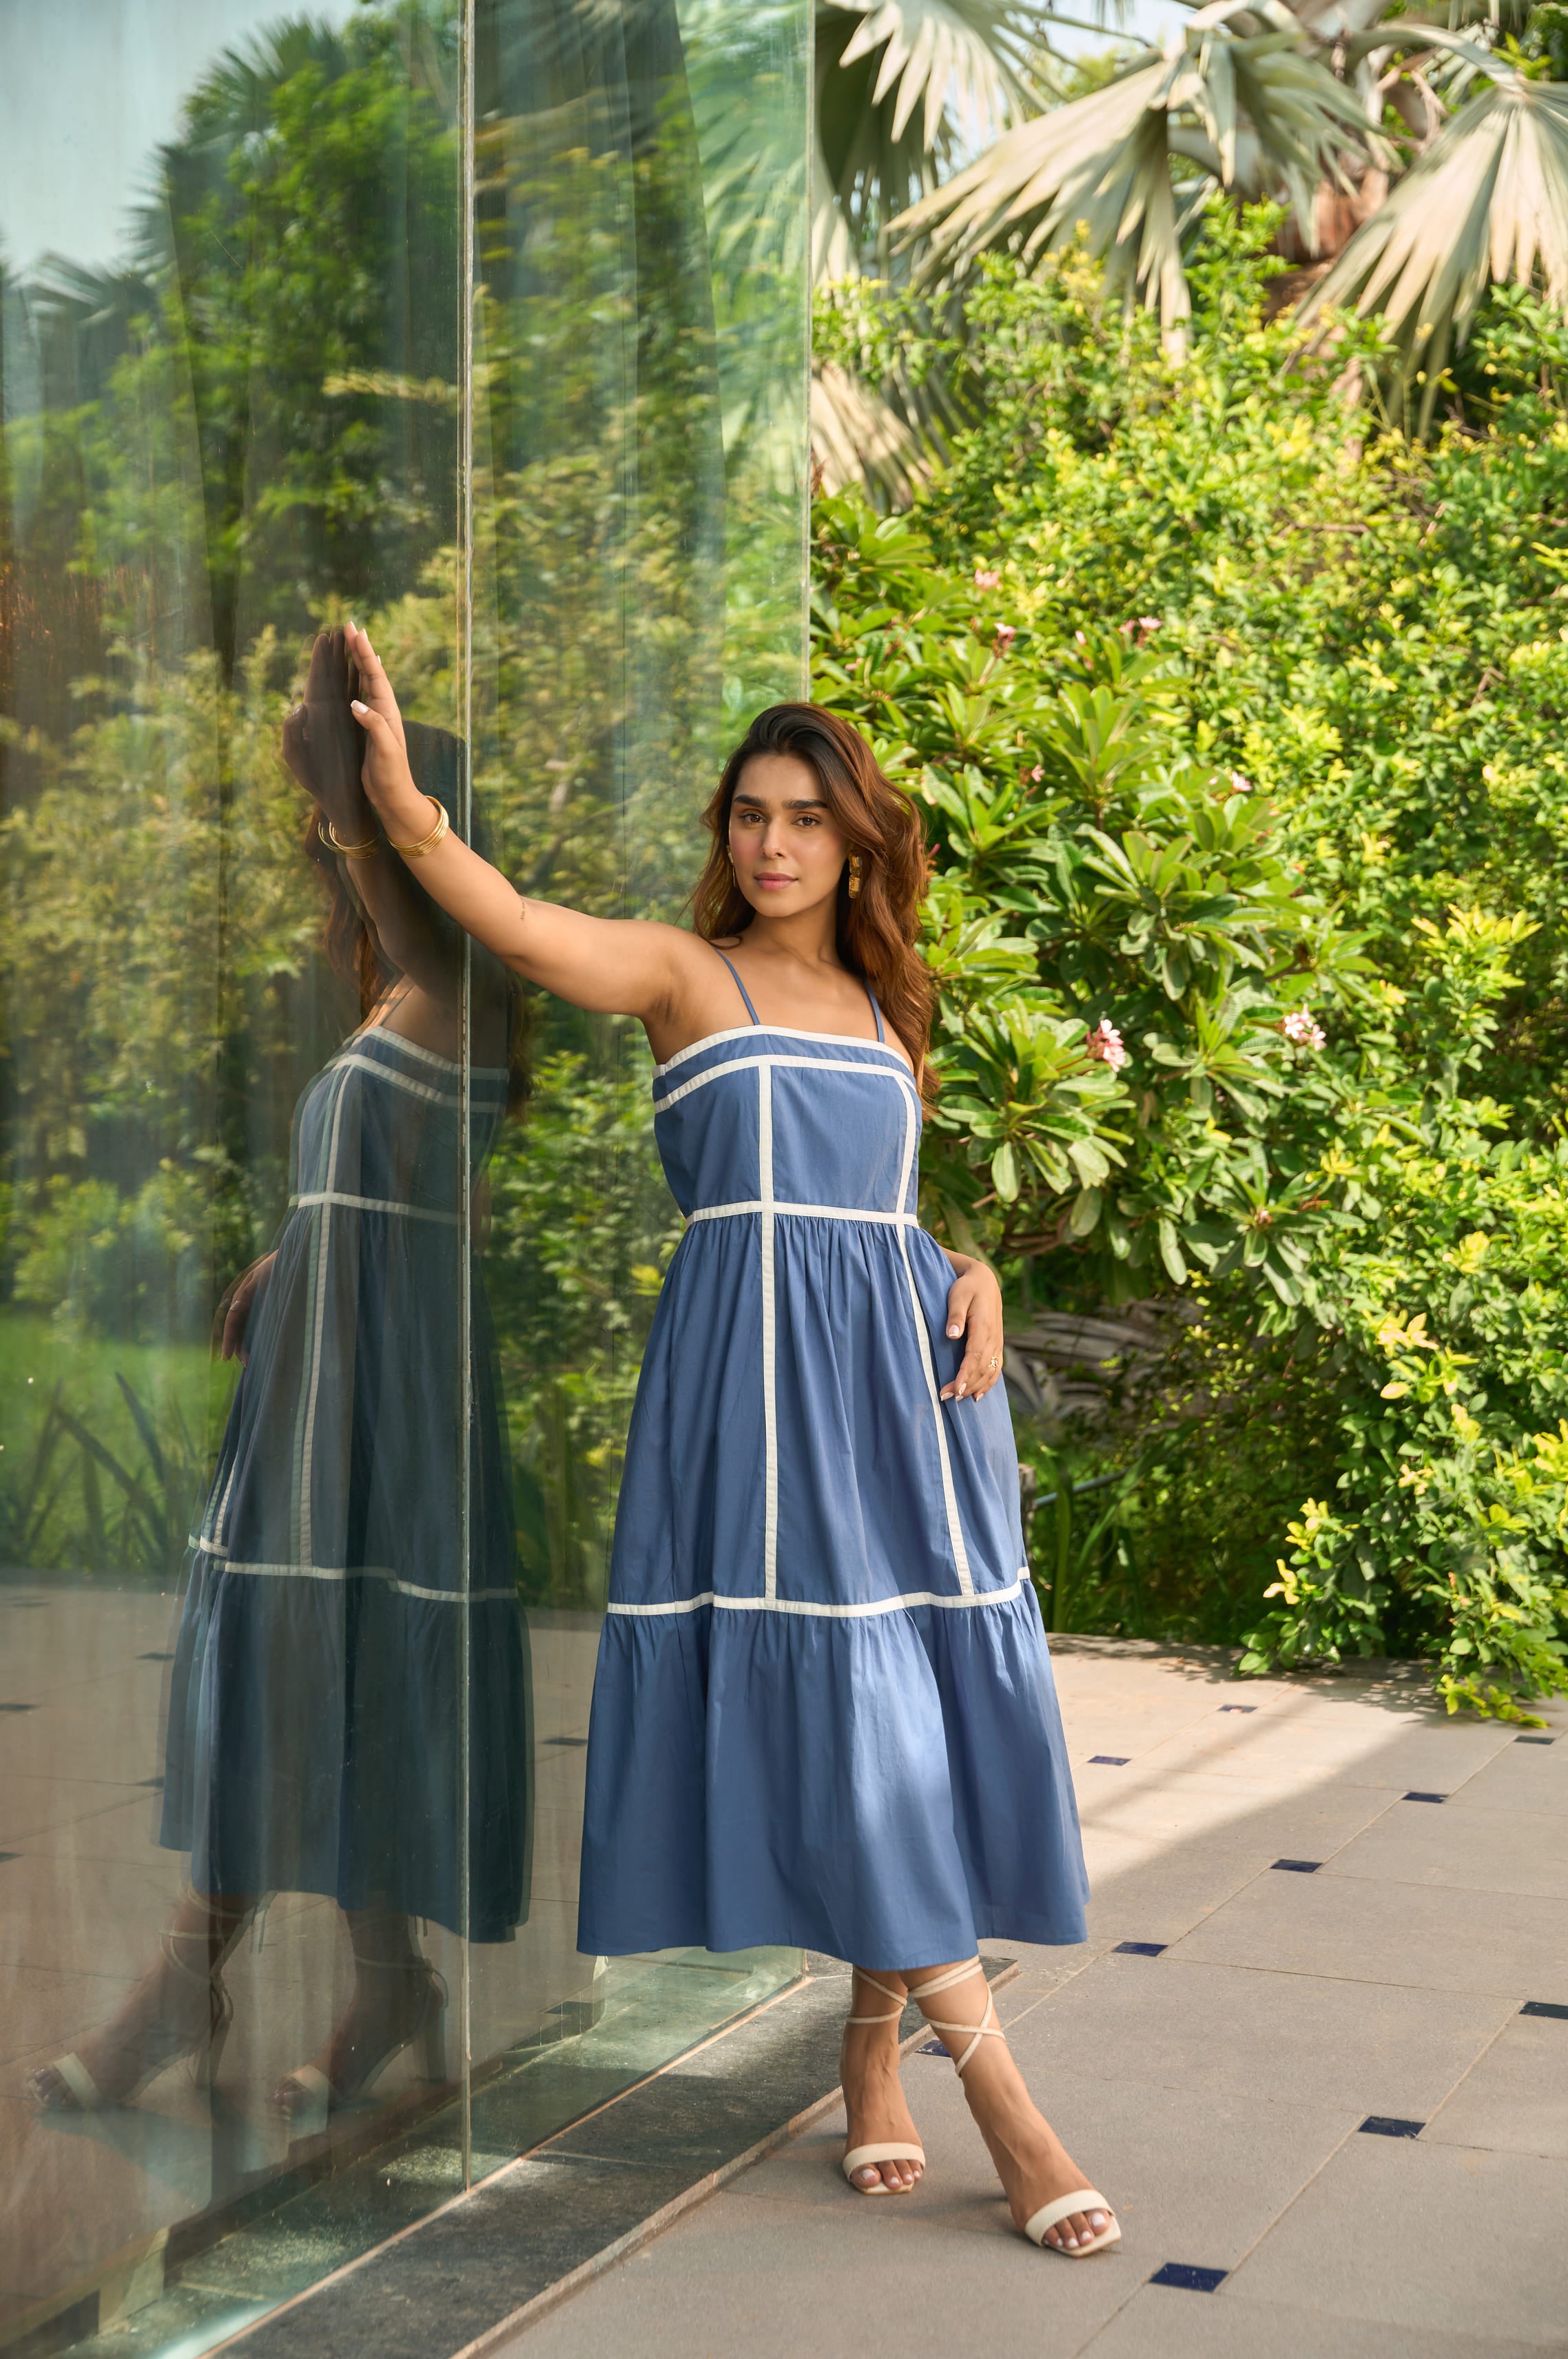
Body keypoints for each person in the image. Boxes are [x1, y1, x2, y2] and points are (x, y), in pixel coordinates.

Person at [340, 621, 1115, 2256]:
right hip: (754, 1410)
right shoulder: (689, 976)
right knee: (852, 1714)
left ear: (850, 841)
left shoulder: (887, 1003)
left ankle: (866, 2051)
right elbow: (525, 926)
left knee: (894, 1713)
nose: (768, 841)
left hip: (903, 1401)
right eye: (748, 814)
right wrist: (408, 811)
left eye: (802, 817)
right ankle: (1005, 2105)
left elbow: (884, 1208)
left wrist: (966, 1262)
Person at [28, 630, 532, 2124]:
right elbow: (418, 1188)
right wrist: (290, 1251)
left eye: (366, 822)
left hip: (383, 1409)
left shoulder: (463, 984)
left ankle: (183, 1989)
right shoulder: (398, 1003)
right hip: (329, 1386)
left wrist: (349, 785)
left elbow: (425, 965)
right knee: (317, 1671)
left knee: (325, 1671)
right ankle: (388, 1985)